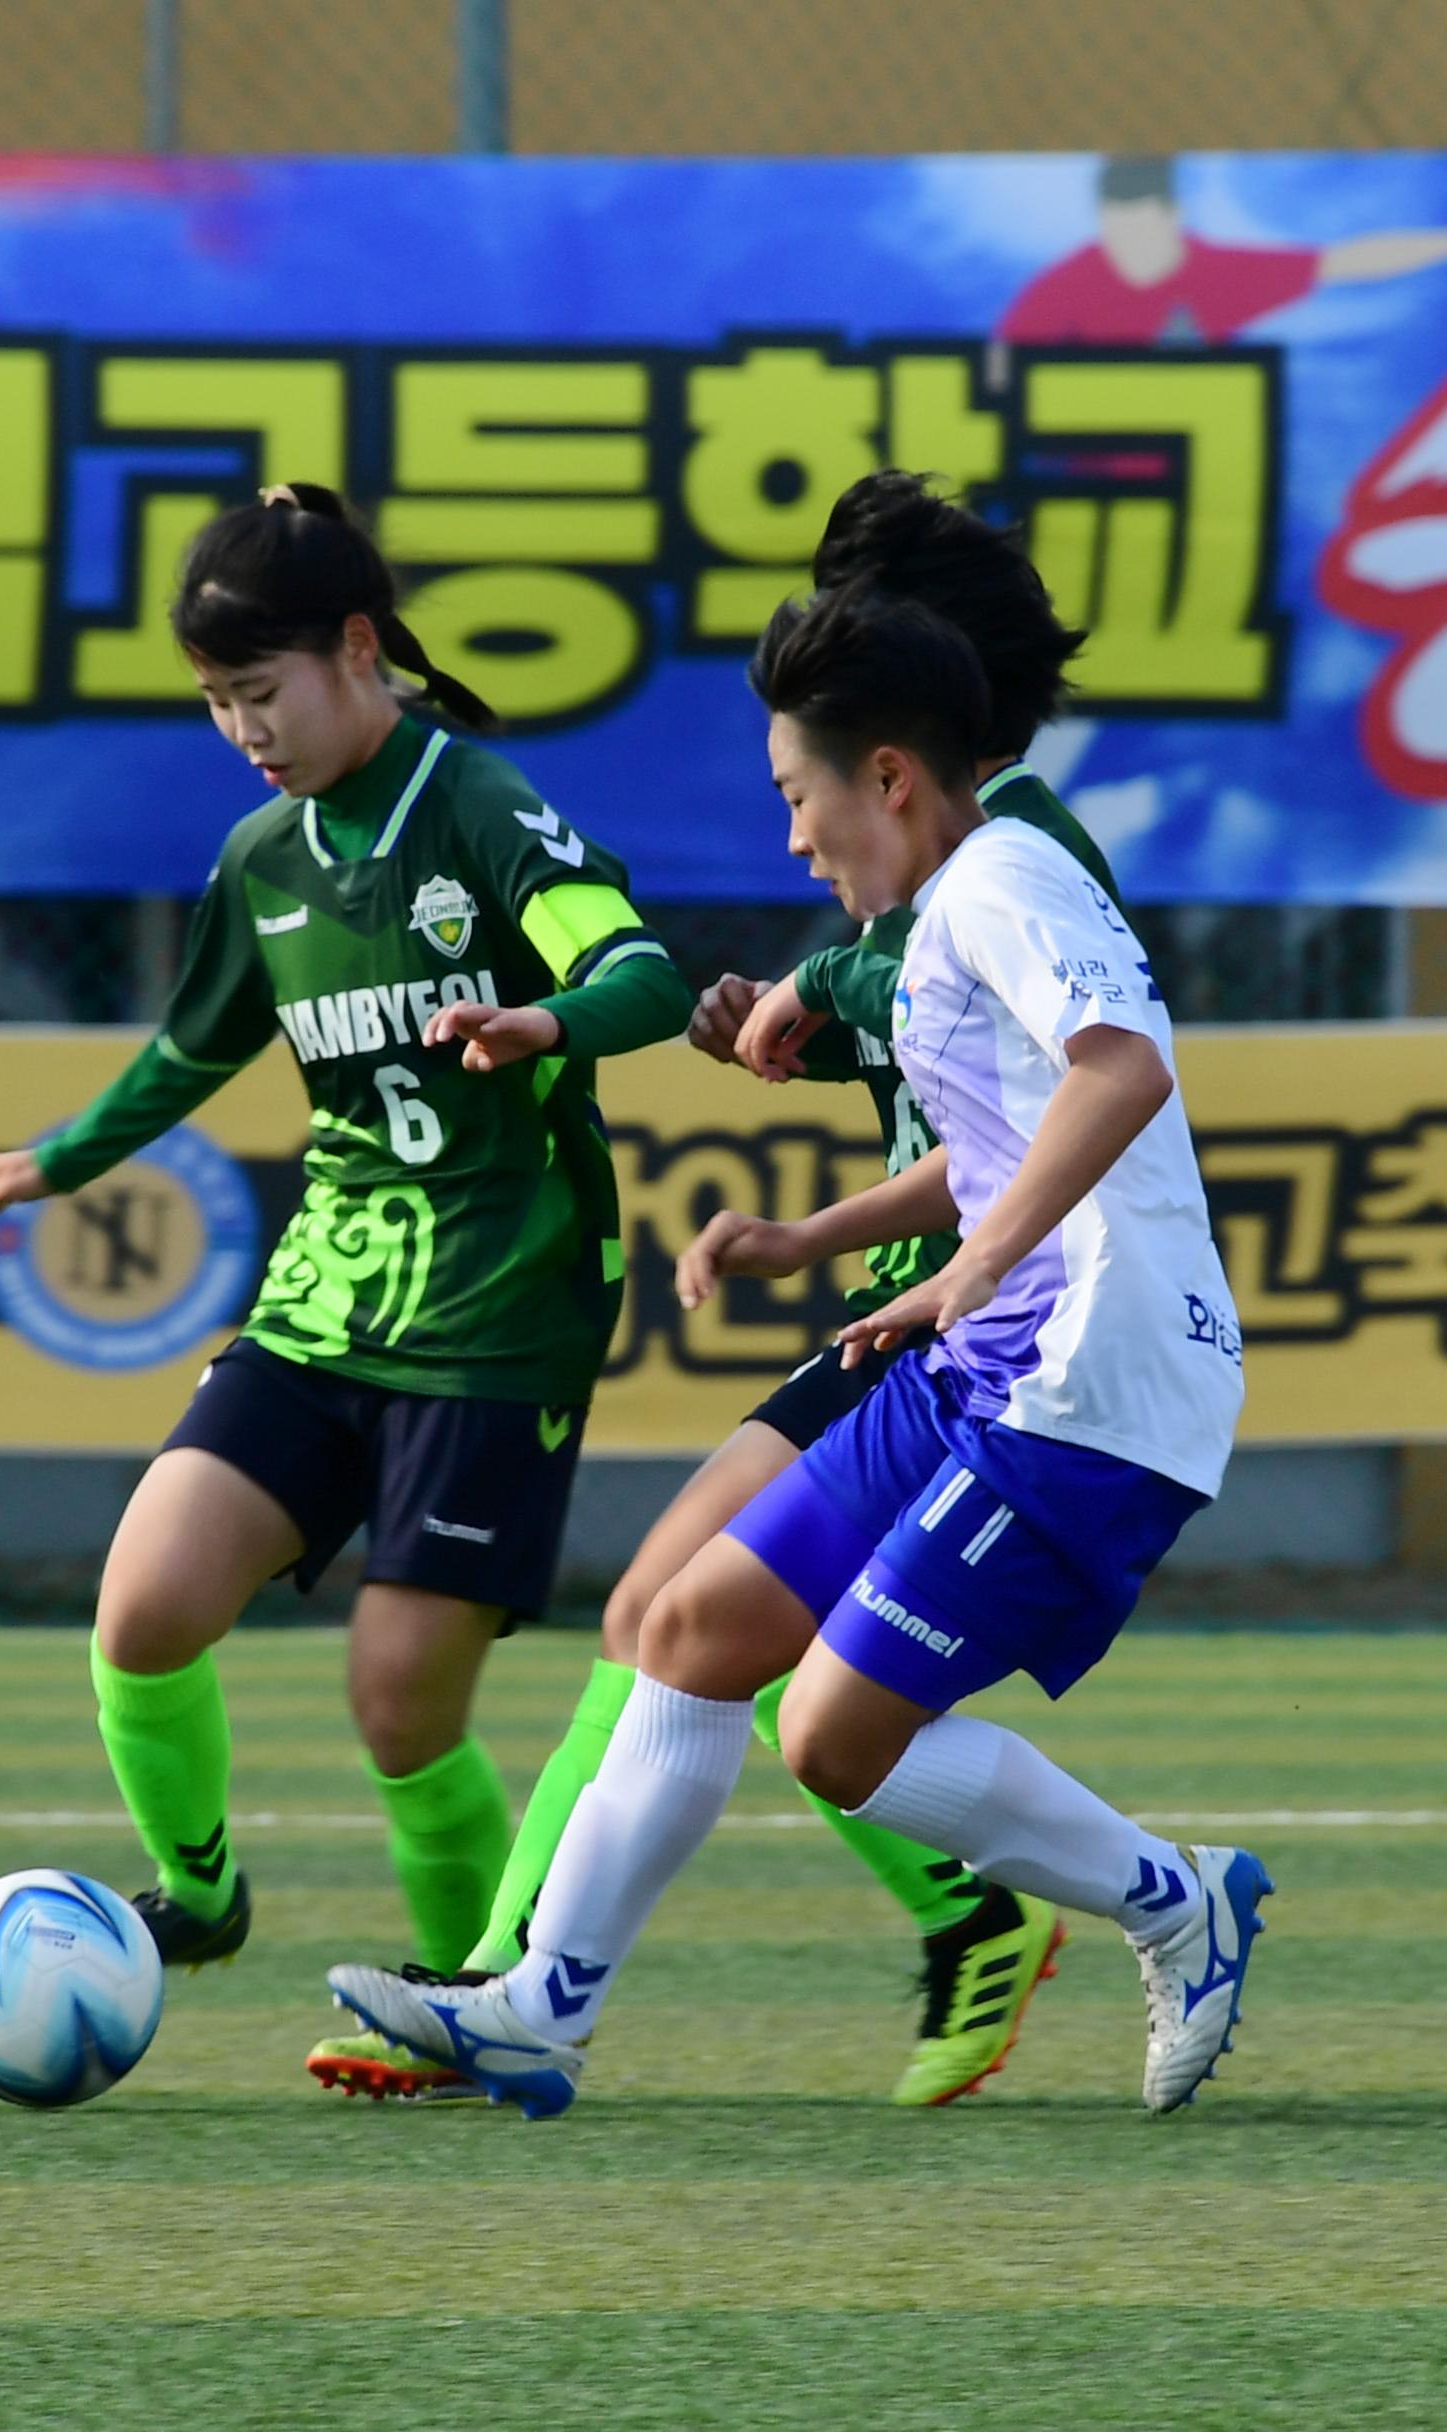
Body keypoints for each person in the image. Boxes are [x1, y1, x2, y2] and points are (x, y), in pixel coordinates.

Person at [330, 584, 1265, 2118]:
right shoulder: (954, 905)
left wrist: (966, 1271)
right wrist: (810, 1240)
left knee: (834, 1736)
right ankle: (537, 2010)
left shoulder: (1003, 881)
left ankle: (1178, 1899)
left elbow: (1124, 1072)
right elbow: (997, 1140)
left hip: (1084, 1388)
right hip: (988, 1359)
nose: (793, 839)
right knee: (692, 1630)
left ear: (887, 774)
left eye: (799, 797)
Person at [0, 485, 692, 2092]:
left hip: (502, 1303)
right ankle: (199, 1902)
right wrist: (57, 1159)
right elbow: (193, 1051)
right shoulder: (265, 859)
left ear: (361, 651)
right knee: (144, 1609)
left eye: (260, 695)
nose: (243, 733)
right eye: (216, 705)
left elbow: (639, 973)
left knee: (398, 1699)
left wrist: (547, 1022)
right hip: (328, 1296)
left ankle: (476, 2006)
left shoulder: (473, 806)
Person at [998, 154, 1447, 347]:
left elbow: (1349, 260)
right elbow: (1002, 361)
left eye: (1142, 228)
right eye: (1117, 229)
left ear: (1173, 217)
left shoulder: (1222, 274)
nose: (1129, 247)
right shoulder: (1066, 285)